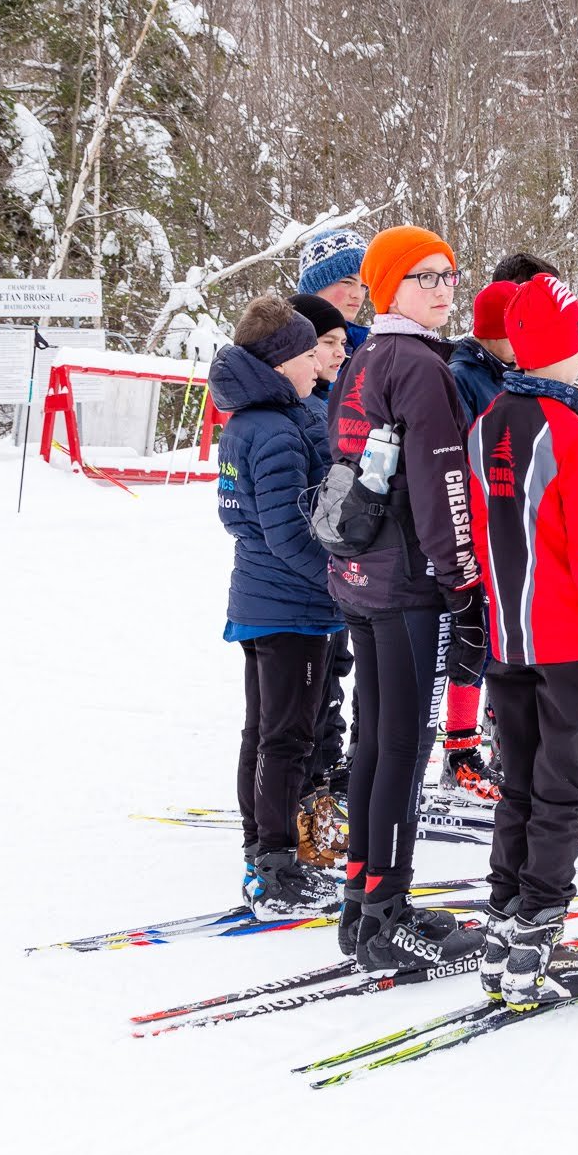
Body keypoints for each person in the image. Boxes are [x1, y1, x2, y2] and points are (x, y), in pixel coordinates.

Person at [467, 275, 578, 1010]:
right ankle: (536, 937)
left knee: (518, 784)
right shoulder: (572, 434)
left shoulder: (485, 425)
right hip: (567, 646)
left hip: (508, 640)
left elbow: (478, 537)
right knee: (559, 793)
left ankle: (503, 926)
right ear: (563, 349)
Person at [325, 225, 489, 969]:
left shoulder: (367, 354)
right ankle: (387, 909)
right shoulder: (420, 365)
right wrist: (462, 581)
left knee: (376, 739)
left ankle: (362, 899)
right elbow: (443, 483)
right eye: (426, 277)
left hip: (361, 575)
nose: (444, 288)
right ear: (392, 286)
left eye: (450, 274)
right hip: (405, 584)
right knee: (401, 744)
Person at [206, 296, 344, 919]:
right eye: (308, 352)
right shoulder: (277, 429)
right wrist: (338, 582)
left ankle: (260, 853)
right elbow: (288, 531)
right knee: (287, 736)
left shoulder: (248, 422)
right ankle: (273, 863)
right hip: (292, 605)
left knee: (263, 731)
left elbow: (240, 517)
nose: (318, 362)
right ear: (283, 361)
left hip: (259, 599)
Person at [438, 278, 524, 801]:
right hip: (469, 526)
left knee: (495, 639)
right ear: (495, 333)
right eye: (515, 332)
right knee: (472, 640)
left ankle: (492, 733)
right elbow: (463, 454)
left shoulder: (503, 373)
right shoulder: (464, 376)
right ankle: (459, 750)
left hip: (500, 524)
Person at [285, 292, 354, 784]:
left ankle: (324, 777)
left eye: (341, 342)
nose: (338, 353)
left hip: (334, 577)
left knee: (331, 683)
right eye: (327, 342)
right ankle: (308, 792)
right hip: (306, 586)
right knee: (305, 699)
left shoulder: (329, 401)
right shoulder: (297, 412)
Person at [297, 228, 371, 353]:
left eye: (364, 286)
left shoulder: (362, 350)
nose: (358, 295)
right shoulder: (287, 350)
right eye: (347, 282)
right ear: (316, 285)